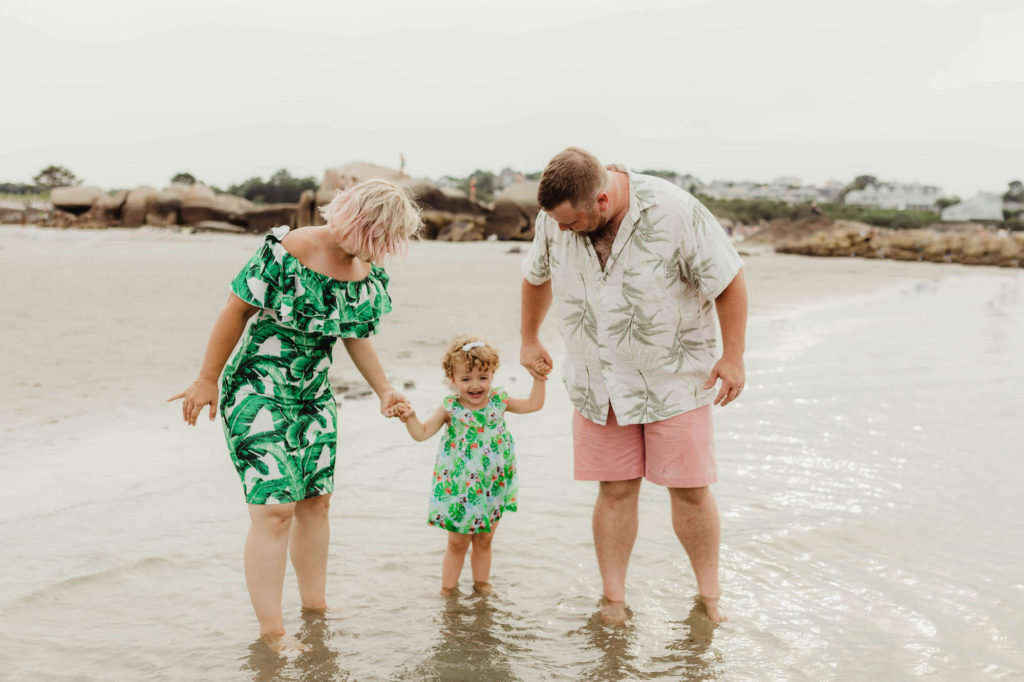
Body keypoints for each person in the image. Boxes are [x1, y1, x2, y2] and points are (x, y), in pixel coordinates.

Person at [169, 179, 421, 652]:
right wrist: (208, 379)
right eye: (376, 236)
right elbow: (235, 309)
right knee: (274, 509)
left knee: (315, 502)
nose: (379, 249)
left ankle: (315, 607)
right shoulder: (291, 248)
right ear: (352, 217)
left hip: (313, 394)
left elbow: (354, 334)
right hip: (258, 384)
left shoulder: (363, 269)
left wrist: (385, 390)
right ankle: (273, 633)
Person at [519, 147, 747, 624]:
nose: (562, 231)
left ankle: (710, 598)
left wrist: (733, 357)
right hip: (595, 380)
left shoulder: (676, 211)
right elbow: (535, 275)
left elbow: (728, 280)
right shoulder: (554, 219)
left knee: (689, 490)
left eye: (572, 223)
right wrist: (528, 337)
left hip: (675, 378)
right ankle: (614, 601)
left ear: (601, 200)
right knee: (615, 490)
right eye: (557, 223)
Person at [394, 335, 548, 596]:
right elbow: (421, 433)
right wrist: (410, 417)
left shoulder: (500, 402)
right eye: (466, 379)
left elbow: (534, 404)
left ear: (492, 376)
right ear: (452, 380)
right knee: (457, 543)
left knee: (485, 539)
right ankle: (448, 591)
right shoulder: (450, 409)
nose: (475, 385)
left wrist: (539, 379)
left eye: (483, 377)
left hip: (493, 485)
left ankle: (481, 585)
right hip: (460, 489)